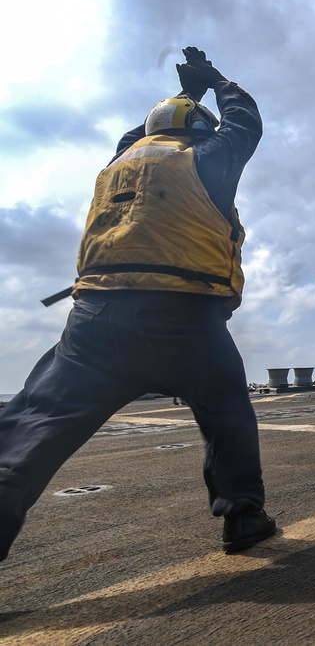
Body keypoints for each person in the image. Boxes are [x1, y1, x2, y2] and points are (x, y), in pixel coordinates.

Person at [0, 47, 275, 561]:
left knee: (35, 424)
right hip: (185, 318)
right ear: (199, 131)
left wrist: (185, 94)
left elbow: (136, 136)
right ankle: (243, 517)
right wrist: (217, 81)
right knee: (226, 411)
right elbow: (247, 122)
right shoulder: (208, 157)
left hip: (94, 322)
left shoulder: (115, 167)